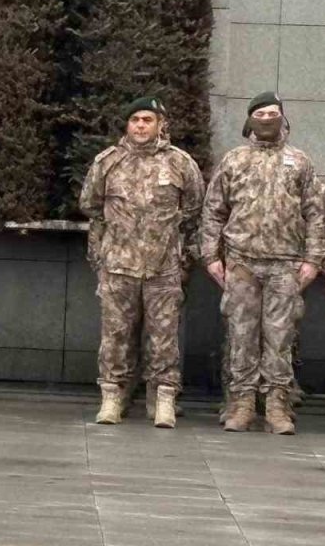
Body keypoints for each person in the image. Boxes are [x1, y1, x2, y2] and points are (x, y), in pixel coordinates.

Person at [201, 92, 325, 435]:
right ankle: (241, 403)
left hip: (285, 265)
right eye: (261, 113)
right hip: (241, 262)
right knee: (241, 335)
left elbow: (316, 215)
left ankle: (277, 405)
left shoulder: (299, 162)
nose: (268, 119)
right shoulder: (234, 160)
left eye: (274, 113)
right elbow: (213, 212)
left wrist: (313, 260)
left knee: (280, 337)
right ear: (250, 119)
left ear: (283, 118)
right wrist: (211, 256)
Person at [79, 97, 204, 428]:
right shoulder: (108, 162)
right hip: (118, 266)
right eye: (135, 119)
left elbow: (193, 209)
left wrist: (182, 256)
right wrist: (101, 256)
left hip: (163, 268)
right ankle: (112, 397)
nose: (140, 125)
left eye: (147, 119)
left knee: (164, 337)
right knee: (115, 335)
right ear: (127, 124)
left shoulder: (180, 163)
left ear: (161, 123)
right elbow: (91, 207)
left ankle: (162, 399)